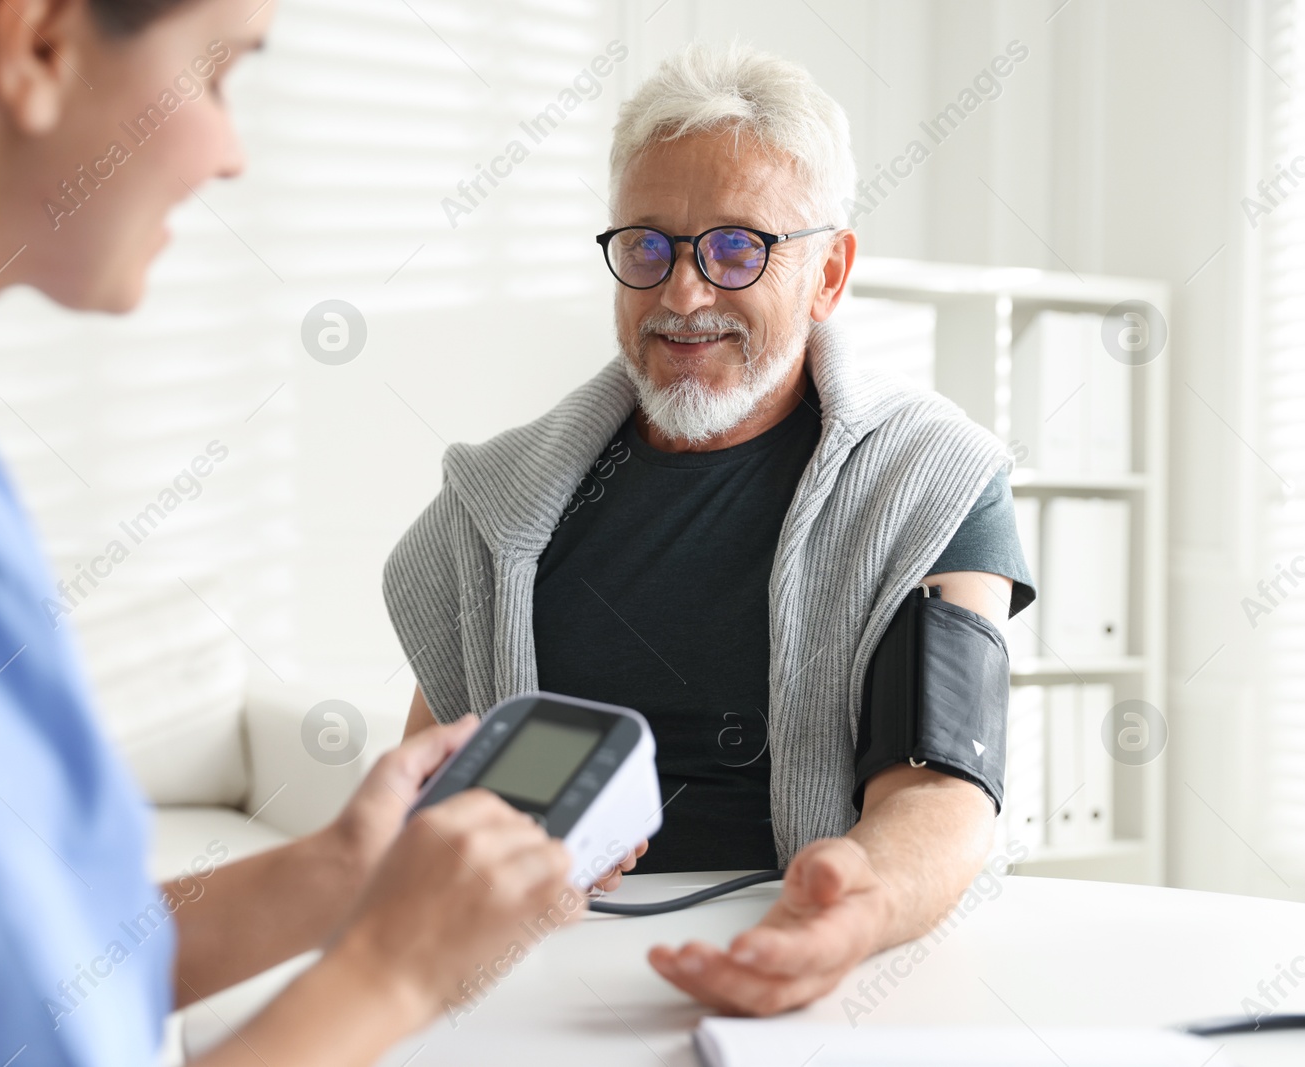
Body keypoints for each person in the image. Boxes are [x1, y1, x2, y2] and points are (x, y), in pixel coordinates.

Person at [0, 3, 599, 1064]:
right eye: (219, 71)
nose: (229, 153)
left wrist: (339, 871)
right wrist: (395, 972)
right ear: (40, 43)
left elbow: (10, 984)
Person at [385, 42, 1037, 1017]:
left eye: (737, 247)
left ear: (827, 272)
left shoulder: (930, 479)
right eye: (647, 246)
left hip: (825, 973)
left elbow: (939, 788)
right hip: (529, 982)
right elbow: (424, 799)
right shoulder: (497, 503)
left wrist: (849, 911)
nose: (683, 295)